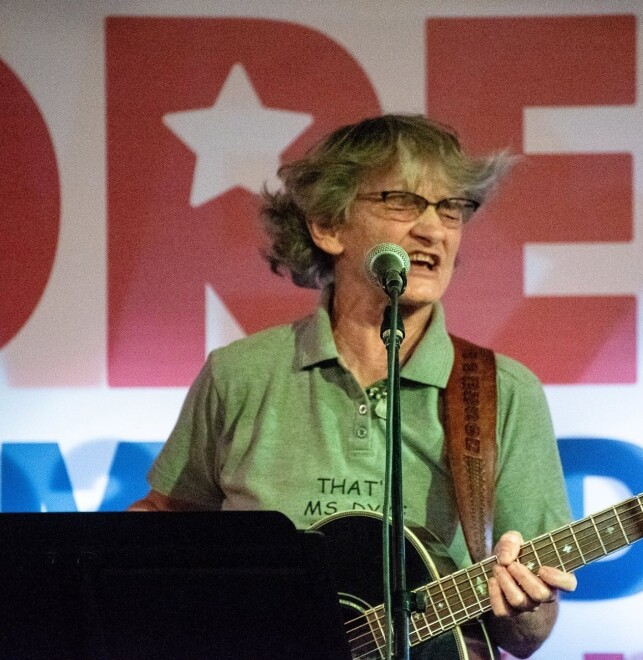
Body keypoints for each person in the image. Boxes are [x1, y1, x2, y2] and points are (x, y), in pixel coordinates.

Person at [130, 114, 576, 658]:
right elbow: (160, 532)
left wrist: (528, 608)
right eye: (402, 201)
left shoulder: (504, 392)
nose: (434, 229)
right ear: (327, 226)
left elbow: (530, 631)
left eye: (452, 208)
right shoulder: (240, 373)